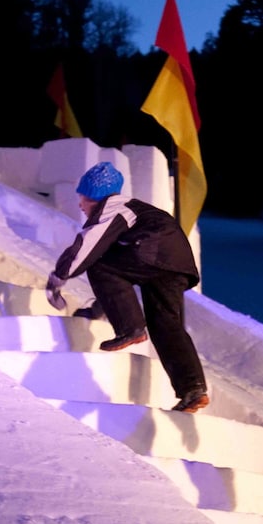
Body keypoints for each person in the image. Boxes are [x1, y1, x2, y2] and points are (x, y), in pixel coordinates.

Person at [45, 162, 209, 414]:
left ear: (95, 197)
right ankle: (193, 390)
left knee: (99, 264)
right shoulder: (136, 211)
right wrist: (97, 310)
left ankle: (130, 328)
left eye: (83, 198)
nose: (80, 205)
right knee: (165, 324)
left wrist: (58, 278)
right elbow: (120, 279)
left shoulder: (113, 208)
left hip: (151, 251)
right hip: (176, 263)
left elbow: (87, 246)